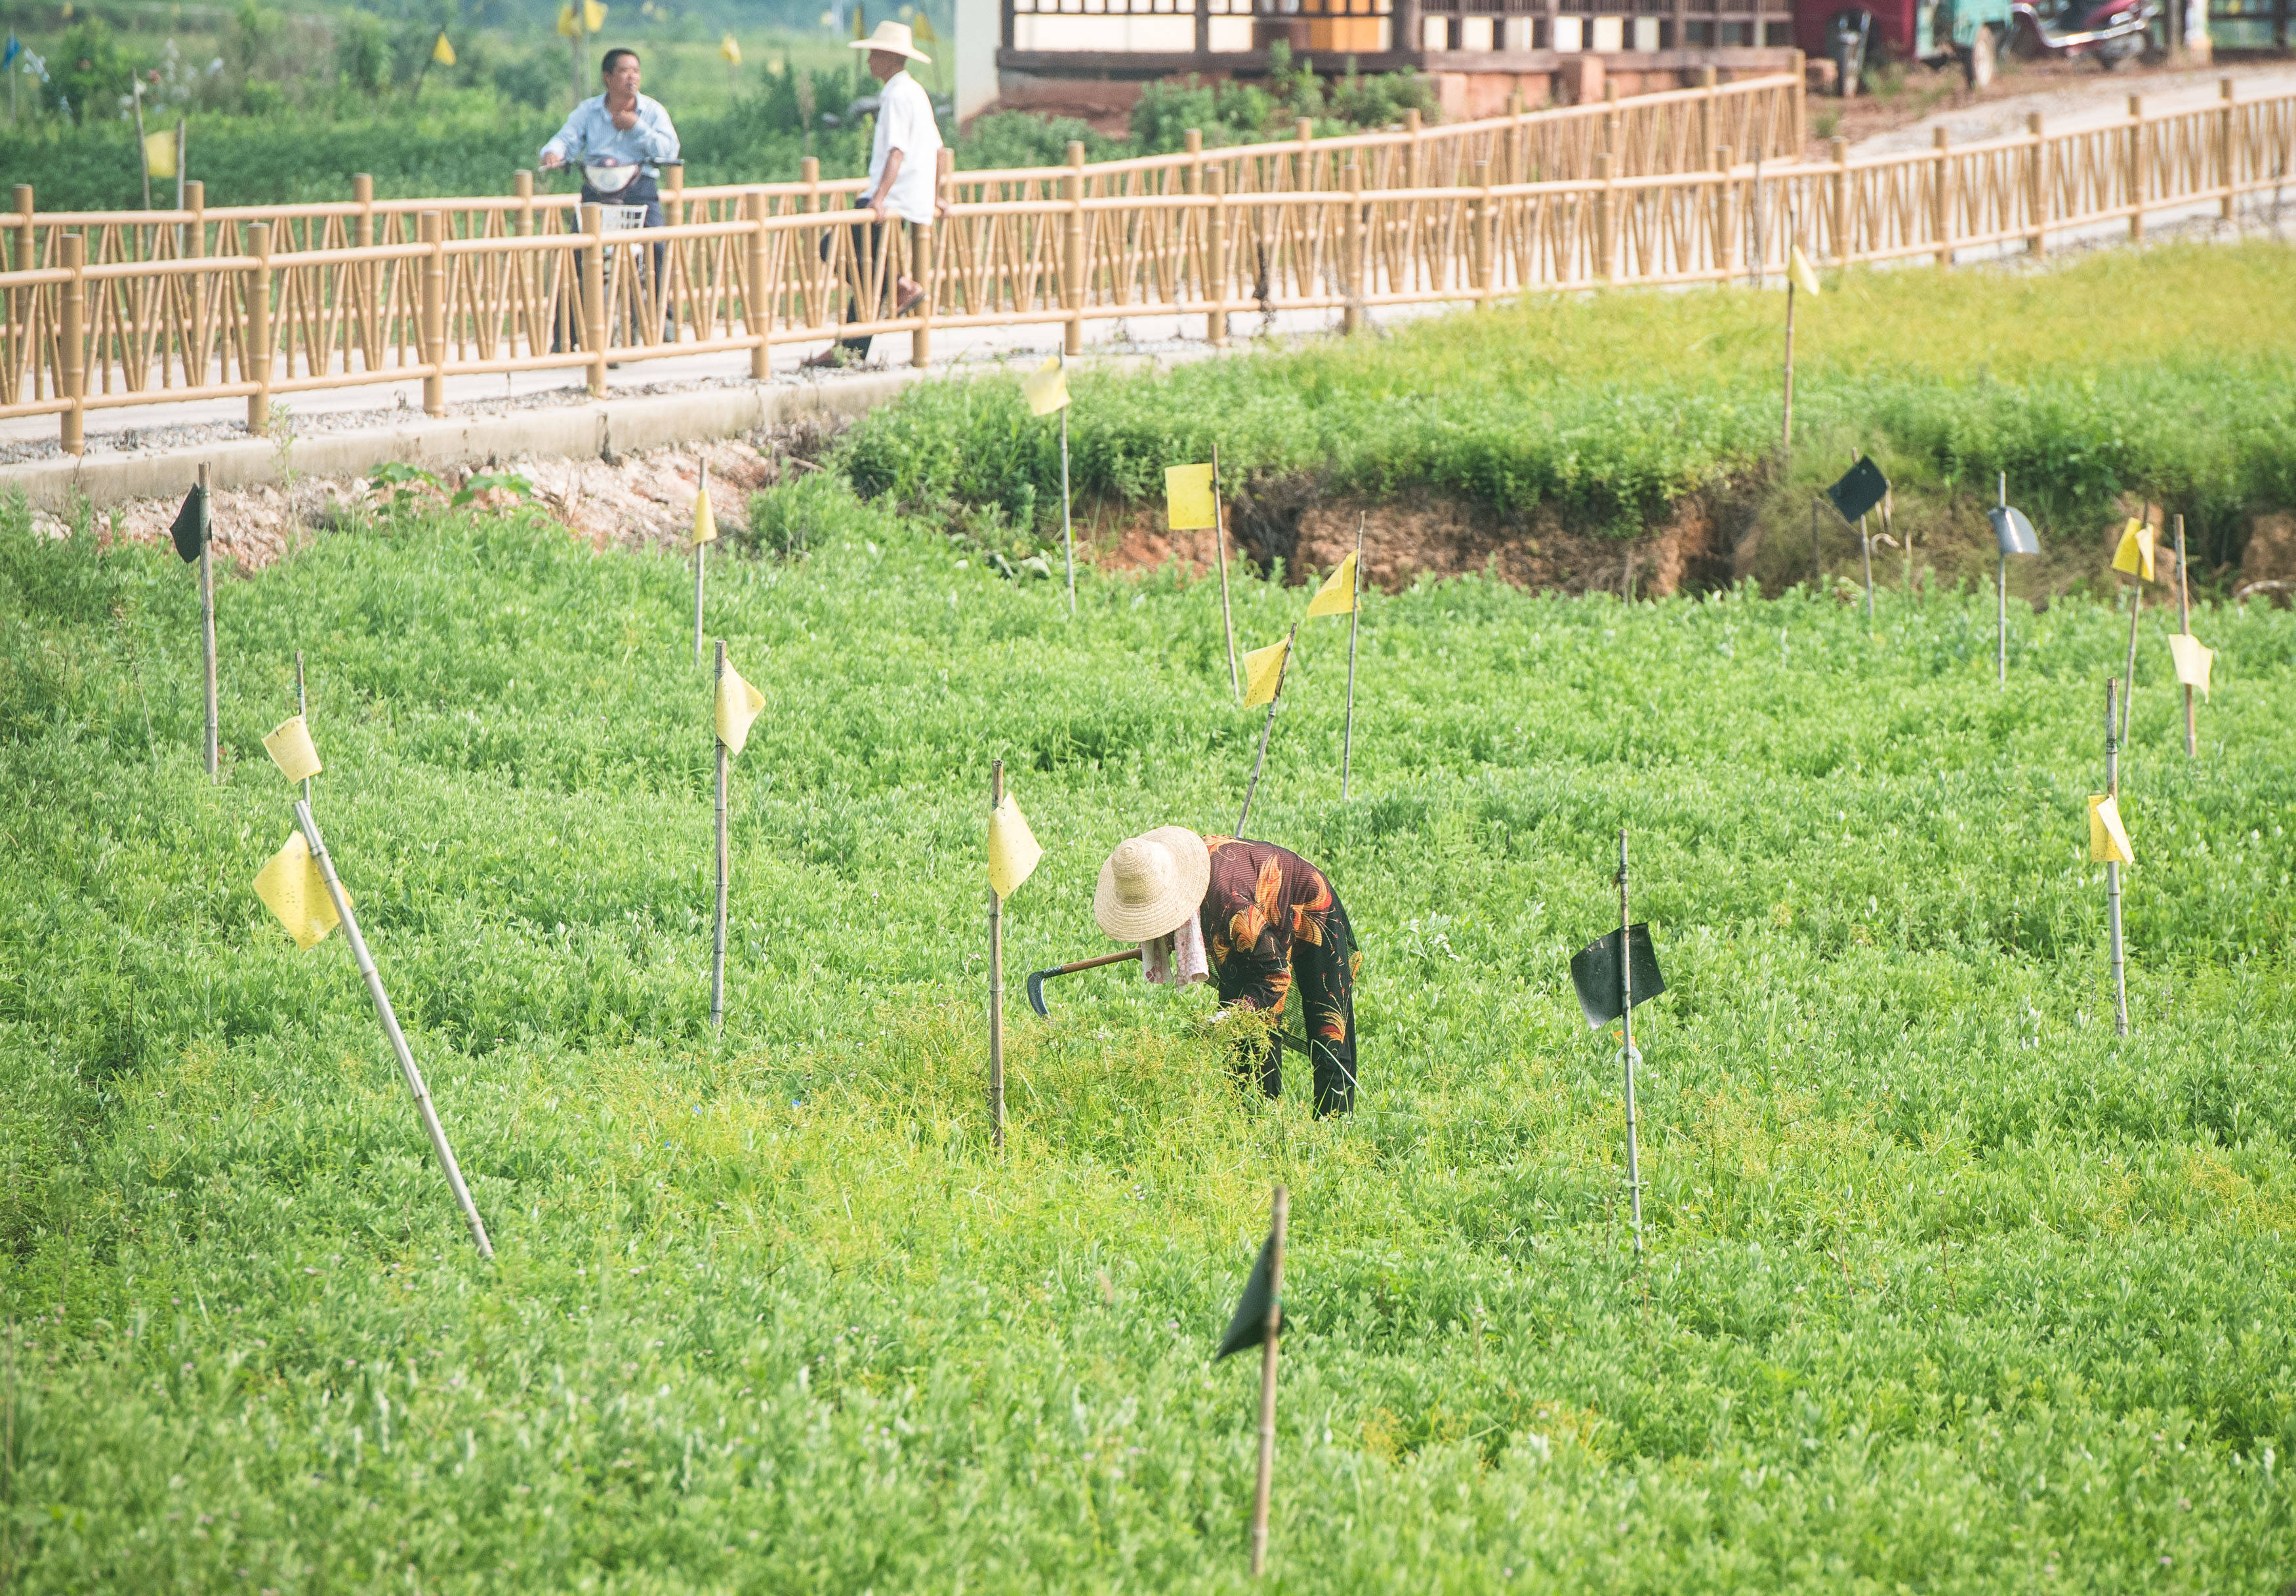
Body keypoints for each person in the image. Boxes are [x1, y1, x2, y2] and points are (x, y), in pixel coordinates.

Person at [1094, 827, 1362, 1116]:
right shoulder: (1173, 870)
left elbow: (1274, 974)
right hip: (1243, 922)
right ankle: (1256, 1123)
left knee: (1328, 1029)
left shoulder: (1233, 911)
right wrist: (1160, 942)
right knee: (1241, 1040)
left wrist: (1235, 1012)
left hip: (1310, 904)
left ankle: (1333, 1123)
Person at [802, 20, 944, 369]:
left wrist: (879, 197)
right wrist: (936, 195)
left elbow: (897, 150)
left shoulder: (896, 95)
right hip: (911, 198)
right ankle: (850, 351)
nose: (868, 61)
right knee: (867, 272)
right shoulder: (916, 92)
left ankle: (900, 286)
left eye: (873, 54)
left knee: (831, 248)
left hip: (891, 198)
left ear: (887, 57)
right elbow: (940, 150)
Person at [540, 48, 680, 227]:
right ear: (607, 77)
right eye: (625, 71)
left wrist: (637, 127)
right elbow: (567, 138)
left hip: (639, 188)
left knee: (656, 246)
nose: (632, 77)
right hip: (597, 186)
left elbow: (670, 151)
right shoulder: (589, 110)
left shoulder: (653, 111)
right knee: (579, 245)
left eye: (636, 71)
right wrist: (553, 152)